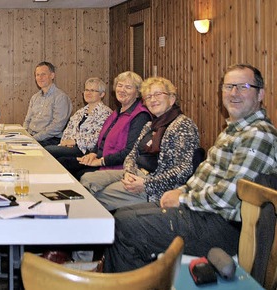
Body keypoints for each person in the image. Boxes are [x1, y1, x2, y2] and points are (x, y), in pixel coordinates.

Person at [103, 64, 277, 273]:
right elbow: (202, 176)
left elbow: (228, 197)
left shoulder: (258, 134)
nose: (234, 93)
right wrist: (181, 192)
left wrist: (182, 199)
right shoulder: (233, 130)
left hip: (221, 226)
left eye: (243, 86)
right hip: (199, 212)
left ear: (260, 94)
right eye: (229, 86)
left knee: (124, 226)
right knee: (122, 215)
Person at [80, 77, 199, 211]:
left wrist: (147, 184)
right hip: (135, 173)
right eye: (148, 97)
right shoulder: (149, 125)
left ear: (171, 99)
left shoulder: (183, 125)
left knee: (100, 196)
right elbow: (132, 155)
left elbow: (183, 170)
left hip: (155, 187)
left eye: (158, 94)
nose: (153, 100)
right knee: (88, 179)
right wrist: (129, 172)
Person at [59, 71, 151, 180]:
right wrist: (93, 154)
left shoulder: (140, 116)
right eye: (120, 85)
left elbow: (130, 152)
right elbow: (101, 140)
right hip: (101, 159)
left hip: (116, 166)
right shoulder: (117, 112)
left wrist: (101, 161)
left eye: (128, 87)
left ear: (137, 92)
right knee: (62, 163)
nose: (122, 90)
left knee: (78, 173)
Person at [44, 77, 112, 160]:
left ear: (102, 94)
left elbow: (98, 138)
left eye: (93, 90)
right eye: (86, 90)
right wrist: (66, 142)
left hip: (87, 151)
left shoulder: (105, 113)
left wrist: (75, 142)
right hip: (71, 148)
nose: (88, 93)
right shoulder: (80, 112)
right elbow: (68, 130)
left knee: (48, 151)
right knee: (48, 152)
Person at [23, 61, 72, 146]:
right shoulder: (35, 97)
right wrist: (24, 134)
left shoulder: (61, 98)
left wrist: (34, 138)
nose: (40, 78)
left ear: (52, 76)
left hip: (49, 140)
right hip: (32, 137)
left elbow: (56, 127)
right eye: (37, 75)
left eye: (43, 74)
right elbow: (27, 120)